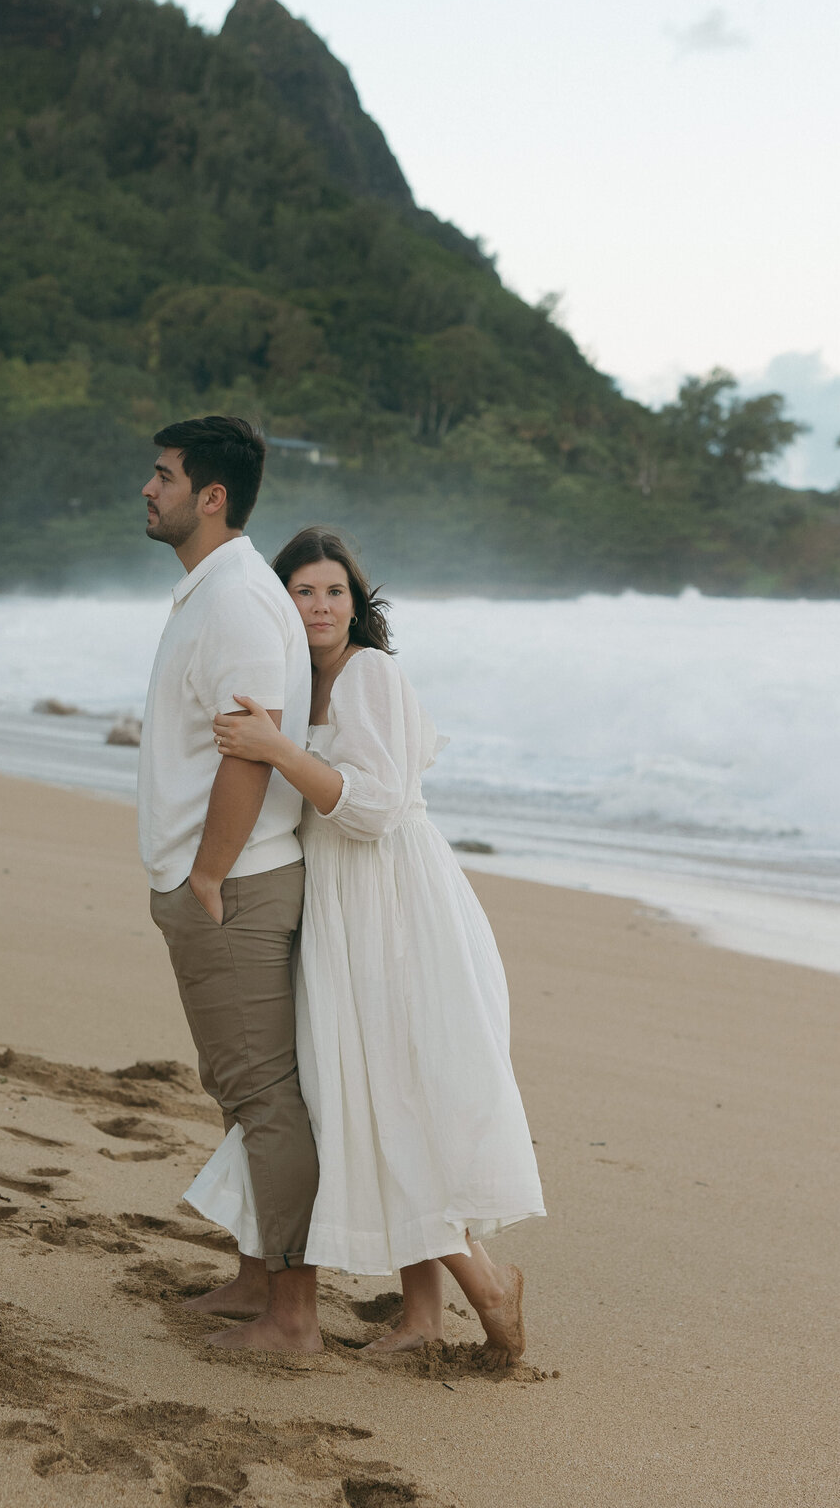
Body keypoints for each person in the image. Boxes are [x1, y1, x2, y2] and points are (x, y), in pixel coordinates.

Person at [186, 526, 546, 1366]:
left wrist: (275, 749)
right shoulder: (293, 683)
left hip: (395, 906)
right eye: (304, 592)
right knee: (371, 1094)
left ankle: (486, 1287)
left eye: (335, 592)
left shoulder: (370, 674)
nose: (320, 606)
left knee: (394, 1092)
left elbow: (377, 808)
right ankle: (422, 1319)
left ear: (358, 604)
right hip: (339, 907)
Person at [137, 419, 321, 1353]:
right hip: (213, 880)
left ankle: (293, 1317)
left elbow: (251, 752)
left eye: (162, 476)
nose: (147, 489)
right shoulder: (212, 592)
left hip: (234, 887)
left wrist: (207, 873)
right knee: (238, 1091)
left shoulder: (240, 602)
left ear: (212, 497)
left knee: (263, 1095)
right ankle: (256, 1283)